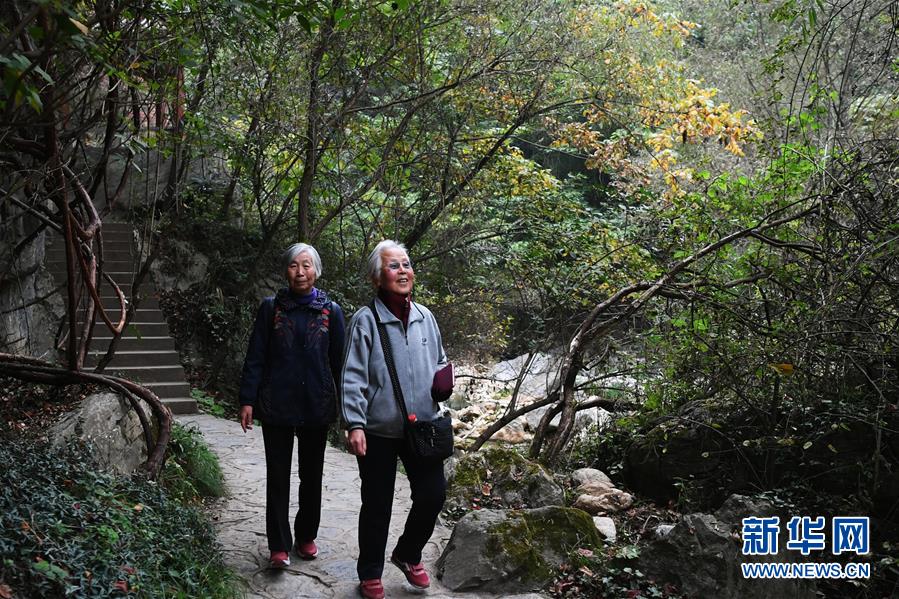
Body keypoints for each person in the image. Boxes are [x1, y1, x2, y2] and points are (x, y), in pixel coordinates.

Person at [341, 240, 453, 599]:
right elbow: (353, 376)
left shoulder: (425, 317)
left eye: (406, 264)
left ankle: (407, 553)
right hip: (378, 429)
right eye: (394, 266)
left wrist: (443, 378)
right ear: (377, 277)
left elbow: (440, 358)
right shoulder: (365, 320)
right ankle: (370, 572)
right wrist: (355, 423)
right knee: (378, 503)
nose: (403, 271)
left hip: (423, 426)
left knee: (433, 495)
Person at [238, 243, 346, 569]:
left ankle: (306, 535)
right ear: (286, 270)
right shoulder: (271, 308)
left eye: (307, 265)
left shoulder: (331, 311)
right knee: (278, 477)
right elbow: (256, 356)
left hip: (316, 404)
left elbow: (340, 364)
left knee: (312, 476)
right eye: (294, 265)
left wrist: (348, 410)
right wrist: (247, 399)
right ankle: (279, 545)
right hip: (277, 404)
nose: (300, 272)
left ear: (317, 270)